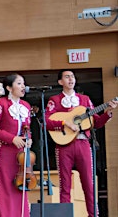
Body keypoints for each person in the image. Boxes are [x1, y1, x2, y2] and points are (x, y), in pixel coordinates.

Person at [45, 69, 117, 217]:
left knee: (89, 183)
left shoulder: (84, 100)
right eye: (67, 77)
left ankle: (93, 215)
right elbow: (46, 121)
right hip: (63, 146)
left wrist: (108, 112)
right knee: (65, 184)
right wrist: (65, 123)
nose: (71, 79)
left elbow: (95, 122)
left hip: (83, 143)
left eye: (72, 76)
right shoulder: (55, 100)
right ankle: (65, 215)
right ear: (60, 82)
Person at [0, 73, 33, 217]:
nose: (23, 86)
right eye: (19, 83)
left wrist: (28, 139)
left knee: (19, 187)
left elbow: (27, 128)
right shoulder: (1, 103)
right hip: (3, 153)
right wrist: (12, 138)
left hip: (20, 155)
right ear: (8, 87)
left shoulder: (26, 105)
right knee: (3, 189)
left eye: (23, 83)